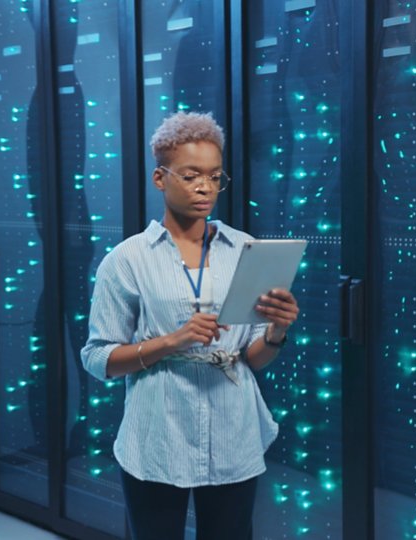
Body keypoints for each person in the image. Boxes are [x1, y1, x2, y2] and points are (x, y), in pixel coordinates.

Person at [81, 111, 299, 540]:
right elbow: (97, 358)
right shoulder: (126, 259)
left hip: (233, 431)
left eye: (216, 176)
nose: (205, 187)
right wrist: (171, 341)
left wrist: (276, 332)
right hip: (156, 435)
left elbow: (252, 359)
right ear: (160, 179)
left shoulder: (246, 250)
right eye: (191, 175)